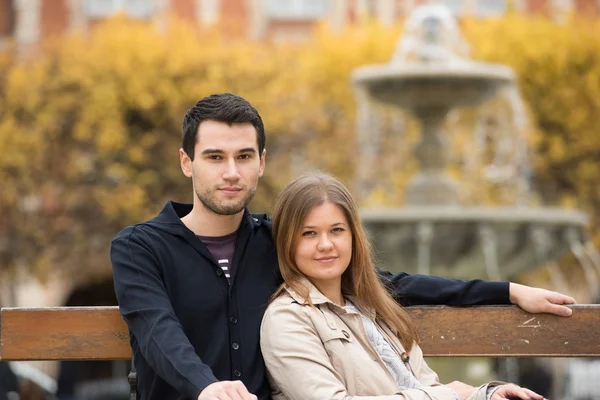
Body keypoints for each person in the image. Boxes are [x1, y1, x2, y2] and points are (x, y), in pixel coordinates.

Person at [110, 93, 575, 400]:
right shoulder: (140, 249)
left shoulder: (275, 240)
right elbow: (156, 331)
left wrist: (507, 291)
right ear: (187, 162)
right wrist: (206, 388)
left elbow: (381, 283)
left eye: (243, 156)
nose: (231, 171)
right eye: (215, 157)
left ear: (261, 163)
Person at [260, 172, 544, 400]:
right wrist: (450, 394)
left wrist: (485, 394)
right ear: (288, 242)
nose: (326, 244)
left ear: (353, 237)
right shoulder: (288, 318)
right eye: (309, 234)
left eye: (337, 230)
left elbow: (425, 386)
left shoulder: (377, 307)